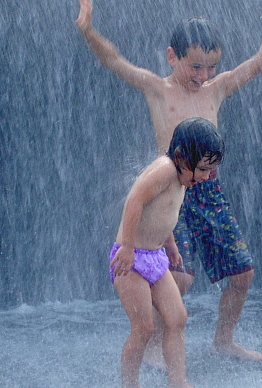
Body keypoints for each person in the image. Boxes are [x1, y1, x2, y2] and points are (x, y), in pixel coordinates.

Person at [76, 0, 262, 363]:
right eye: (195, 66)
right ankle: (154, 340)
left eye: (211, 66)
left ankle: (224, 341)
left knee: (242, 275)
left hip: (210, 190)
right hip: (170, 193)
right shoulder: (156, 89)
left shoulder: (216, 89)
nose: (204, 75)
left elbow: (261, 60)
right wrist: (89, 30)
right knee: (181, 277)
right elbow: (115, 61)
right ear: (172, 57)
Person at [109, 117, 224, 388]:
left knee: (177, 318)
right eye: (204, 168)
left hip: (156, 258)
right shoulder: (164, 170)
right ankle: (129, 384)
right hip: (130, 259)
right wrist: (126, 246)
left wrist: (170, 245)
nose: (207, 176)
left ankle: (178, 381)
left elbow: (163, 214)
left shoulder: (183, 180)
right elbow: (135, 201)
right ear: (182, 157)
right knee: (144, 328)